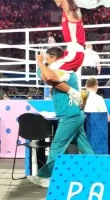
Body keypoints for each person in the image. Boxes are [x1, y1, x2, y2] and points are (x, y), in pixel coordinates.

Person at [35, 46, 94, 186]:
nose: (47, 61)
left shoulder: (65, 72)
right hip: (74, 114)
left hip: (70, 115)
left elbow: (47, 76)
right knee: (84, 146)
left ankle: (47, 177)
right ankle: (96, 170)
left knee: (57, 146)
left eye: (48, 58)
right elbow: (45, 77)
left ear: (54, 58)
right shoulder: (61, 72)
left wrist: (40, 63)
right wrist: (42, 65)